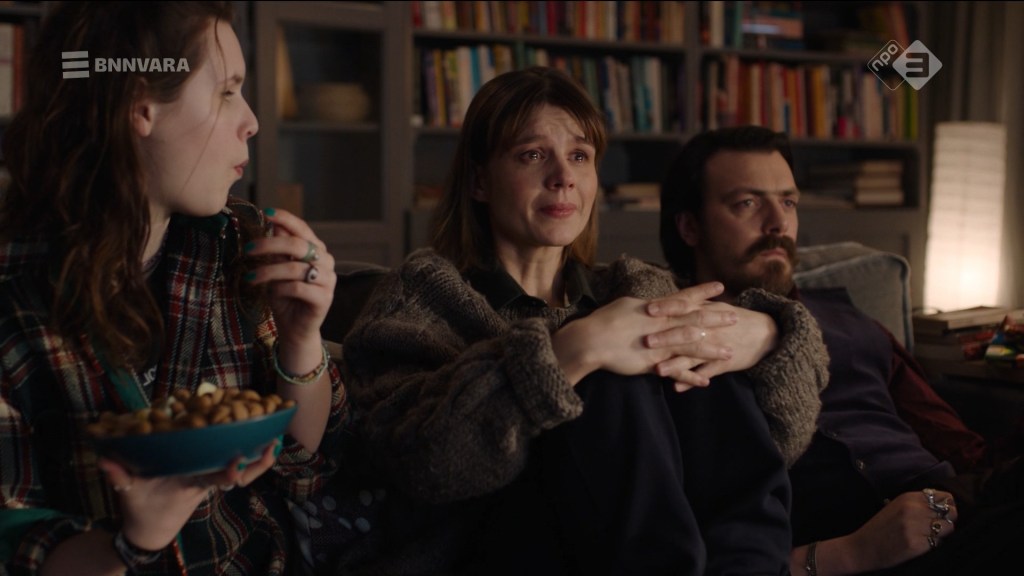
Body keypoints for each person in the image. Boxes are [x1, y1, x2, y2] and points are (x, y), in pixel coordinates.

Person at [339, 67, 829, 575]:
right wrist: (575, 350)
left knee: (695, 354)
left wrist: (768, 335)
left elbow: (781, 439)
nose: (563, 177)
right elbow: (420, 467)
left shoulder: (635, 286)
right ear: (480, 181)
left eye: (579, 156)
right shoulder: (421, 297)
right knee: (617, 371)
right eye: (532, 155)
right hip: (489, 551)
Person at [0, 3, 348, 575]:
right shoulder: (15, 296)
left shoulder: (237, 241)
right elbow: (14, 544)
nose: (252, 121)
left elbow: (300, 467)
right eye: (227, 91)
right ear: (141, 107)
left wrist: (301, 340)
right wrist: (136, 540)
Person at [659, 125, 1024, 576]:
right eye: (747, 203)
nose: (777, 223)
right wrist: (847, 552)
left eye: (788, 202)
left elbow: (964, 450)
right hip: (854, 545)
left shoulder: (851, 322)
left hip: (953, 515)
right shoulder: (670, 342)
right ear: (689, 226)